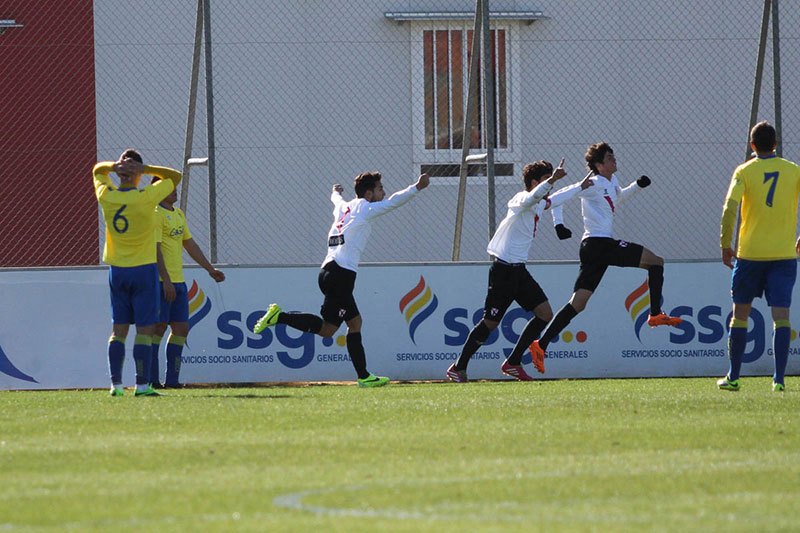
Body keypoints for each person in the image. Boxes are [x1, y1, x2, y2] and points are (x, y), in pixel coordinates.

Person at [253, 171, 430, 387]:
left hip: (328, 272)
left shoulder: (343, 208)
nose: (384, 191)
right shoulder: (365, 208)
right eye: (380, 188)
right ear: (368, 193)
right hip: (341, 276)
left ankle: (364, 375)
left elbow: (336, 200)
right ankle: (363, 377)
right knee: (344, 326)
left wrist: (334, 193)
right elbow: (394, 202)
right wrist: (417, 187)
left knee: (338, 327)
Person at [529, 142, 682, 373]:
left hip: (594, 248)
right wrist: (558, 224)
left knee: (578, 304)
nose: (614, 160)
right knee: (656, 262)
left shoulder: (610, 181)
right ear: (599, 165)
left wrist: (637, 186)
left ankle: (540, 344)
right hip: (600, 244)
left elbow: (617, 199)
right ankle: (654, 314)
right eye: (609, 158)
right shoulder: (593, 182)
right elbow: (558, 197)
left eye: (613, 157)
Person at [446, 158, 590, 382]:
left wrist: (580, 186)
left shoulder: (540, 202)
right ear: (534, 182)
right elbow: (534, 196)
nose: (549, 185)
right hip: (503, 270)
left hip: (519, 271)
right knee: (490, 323)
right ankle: (458, 367)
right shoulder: (521, 199)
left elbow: (556, 198)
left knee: (545, 314)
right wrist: (552, 180)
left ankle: (513, 362)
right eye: (544, 179)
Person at [718, 121, 800, 392]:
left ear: (752, 146)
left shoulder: (744, 171)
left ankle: (733, 377)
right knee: (782, 318)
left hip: (750, 255)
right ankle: (778, 380)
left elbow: (730, 207)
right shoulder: (793, 171)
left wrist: (725, 243)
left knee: (740, 315)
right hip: (784, 255)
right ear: (775, 144)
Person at [93, 149, 182, 397]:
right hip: (143, 270)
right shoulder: (146, 197)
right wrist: (144, 169)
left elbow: (97, 170)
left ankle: (116, 385)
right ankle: (142, 386)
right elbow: (175, 176)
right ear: (138, 174)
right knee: (144, 330)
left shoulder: (107, 196)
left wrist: (115, 166)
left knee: (118, 330)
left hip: (117, 271)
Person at [151, 178, 225, 388]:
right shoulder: (155, 214)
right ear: (159, 190)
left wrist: (210, 269)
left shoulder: (178, 214)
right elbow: (154, 248)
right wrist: (165, 280)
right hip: (161, 281)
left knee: (181, 329)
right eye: (169, 188)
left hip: (179, 282)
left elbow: (189, 244)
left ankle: (172, 381)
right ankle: (152, 380)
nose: (175, 191)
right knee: (158, 328)